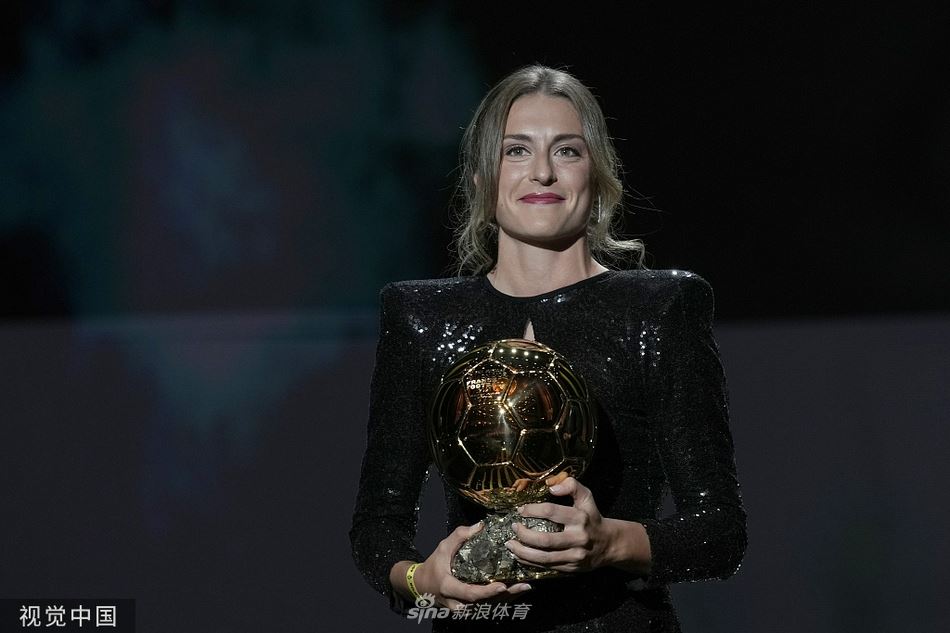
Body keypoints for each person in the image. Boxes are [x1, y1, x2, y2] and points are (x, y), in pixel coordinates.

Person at [349, 64, 747, 631]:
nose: (542, 171)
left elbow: (720, 533)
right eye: (516, 150)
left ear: (598, 175)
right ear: (481, 178)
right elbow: (377, 524)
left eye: (566, 151)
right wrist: (419, 579)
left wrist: (611, 542)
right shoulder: (421, 318)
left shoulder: (659, 309)